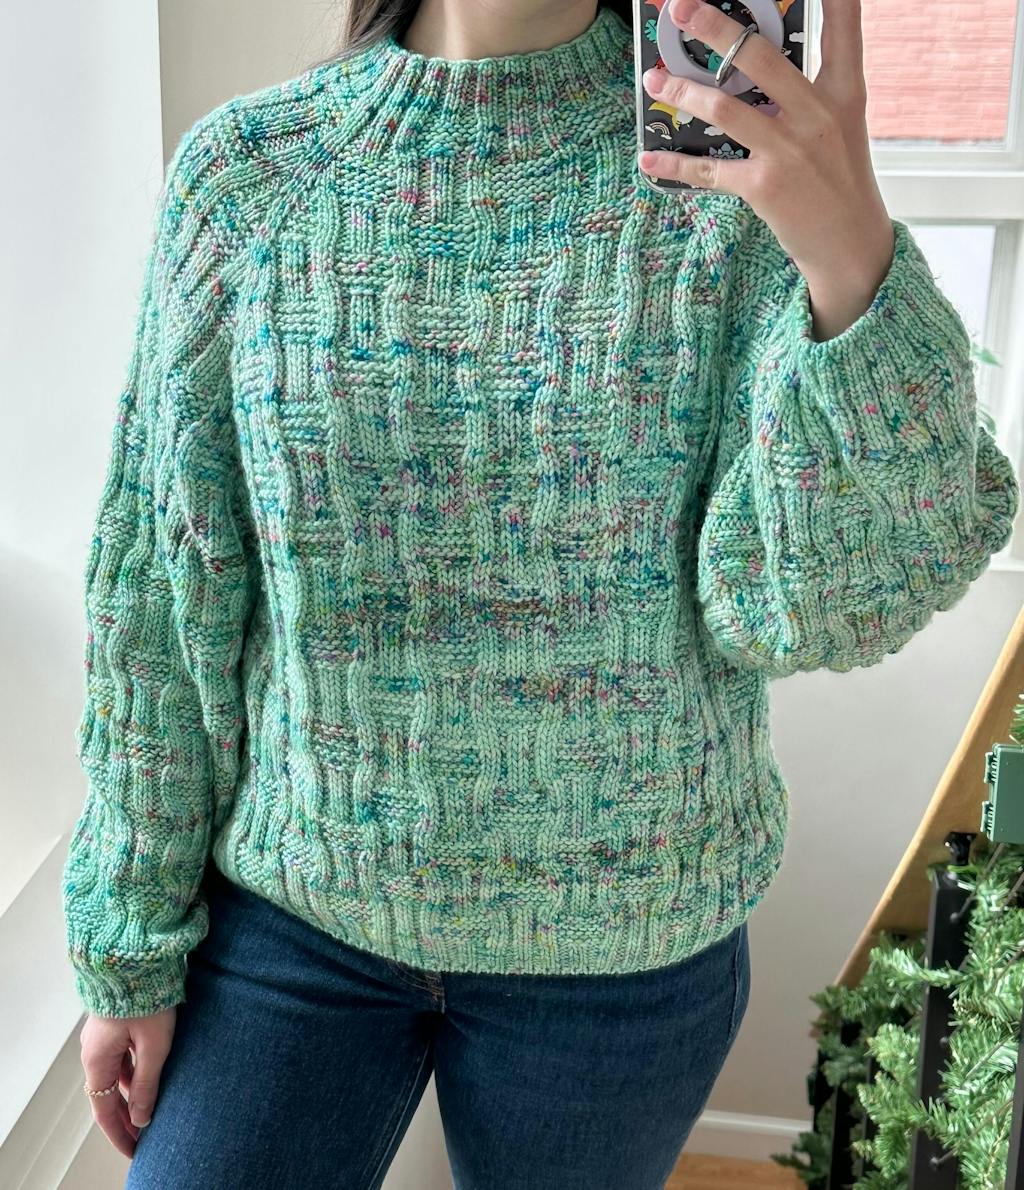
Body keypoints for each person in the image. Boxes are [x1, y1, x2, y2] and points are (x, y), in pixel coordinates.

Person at [62, 0, 1020, 1186]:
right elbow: (161, 592)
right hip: (295, 910)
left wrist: (849, 253)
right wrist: (130, 939)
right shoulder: (250, 178)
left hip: (628, 942)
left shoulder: (731, 178)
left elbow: (817, 602)